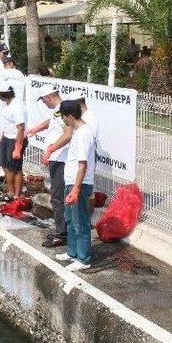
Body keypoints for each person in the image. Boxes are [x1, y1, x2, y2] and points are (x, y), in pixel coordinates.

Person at [26, 86, 73, 248]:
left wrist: (50, 150)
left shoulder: (64, 109)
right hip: (58, 159)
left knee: (57, 197)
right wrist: (37, 128)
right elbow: (52, 122)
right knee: (57, 196)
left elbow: (68, 133)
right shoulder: (59, 110)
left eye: (44, 101)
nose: (44, 104)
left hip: (61, 160)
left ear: (48, 97)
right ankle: (62, 230)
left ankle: (62, 234)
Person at [54, 100, 95, 272]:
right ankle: (72, 252)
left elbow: (83, 165)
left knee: (80, 222)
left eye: (63, 117)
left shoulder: (84, 133)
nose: (63, 121)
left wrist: (76, 189)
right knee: (70, 220)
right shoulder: (78, 132)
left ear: (70, 116)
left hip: (79, 185)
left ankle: (83, 259)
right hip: (71, 182)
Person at [0, 80, 27, 200]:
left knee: (15, 168)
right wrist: (2, 137)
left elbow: (21, 128)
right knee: (4, 165)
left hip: (15, 139)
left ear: (3, 94)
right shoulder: (8, 104)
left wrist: (17, 148)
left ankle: (15, 195)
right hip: (7, 137)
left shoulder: (17, 106)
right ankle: (11, 191)